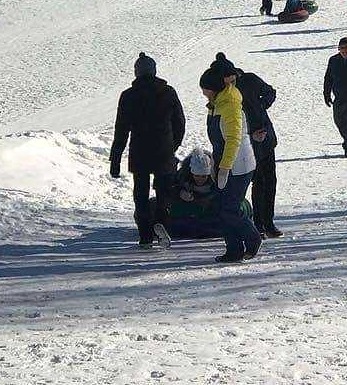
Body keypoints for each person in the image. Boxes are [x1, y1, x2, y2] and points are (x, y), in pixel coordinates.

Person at [110, 53, 186, 249]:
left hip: (140, 152)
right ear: (154, 71)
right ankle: (161, 223)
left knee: (141, 194)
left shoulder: (128, 95)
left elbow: (121, 129)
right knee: (163, 192)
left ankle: (145, 235)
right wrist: (173, 145)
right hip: (163, 151)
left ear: (137, 72)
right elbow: (180, 123)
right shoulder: (168, 92)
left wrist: (115, 160)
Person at [210, 53, 281, 239]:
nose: (229, 82)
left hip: (265, 138)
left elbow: (270, 92)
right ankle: (258, 225)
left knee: (270, 181)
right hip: (247, 144)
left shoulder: (249, 79)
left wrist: (261, 105)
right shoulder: (221, 94)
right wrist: (250, 134)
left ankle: (268, 222)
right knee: (257, 183)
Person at [199, 65, 263, 263]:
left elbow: (233, 139)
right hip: (223, 162)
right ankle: (233, 249)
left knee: (230, 208)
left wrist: (225, 168)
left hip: (239, 164)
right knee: (221, 208)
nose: (203, 93)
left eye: (206, 89)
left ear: (215, 88)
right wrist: (215, 165)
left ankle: (253, 238)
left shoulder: (230, 105)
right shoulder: (216, 104)